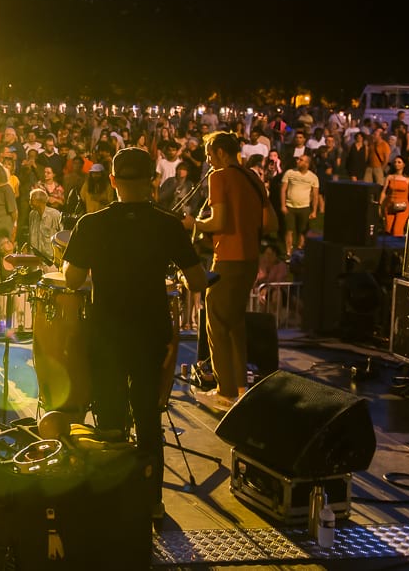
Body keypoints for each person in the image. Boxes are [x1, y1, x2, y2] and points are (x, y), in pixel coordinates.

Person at [62, 147, 208, 521]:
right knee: (147, 416)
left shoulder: (91, 224)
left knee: (108, 420)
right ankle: (151, 503)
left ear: (112, 182)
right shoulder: (167, 225)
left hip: (106, 333)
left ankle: (111, 503)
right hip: (149, 333)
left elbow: (72, 278)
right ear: (152, 182)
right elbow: (195, 280)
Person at [183, 132, 277, 408]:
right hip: (249, 261)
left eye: (210, 154)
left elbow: (219, 221)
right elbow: (270, 224)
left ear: (222, 152)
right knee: (235, 323)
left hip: (227, 258)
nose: (209, 160)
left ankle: (224, 392)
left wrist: (194, 224)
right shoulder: (253, 178)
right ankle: (240, 387)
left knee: (215, 321)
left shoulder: (219, 177)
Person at [380, 156, 409, 237]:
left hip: (403, 206)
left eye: (399, 162)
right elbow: (384, 192)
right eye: (395, 162)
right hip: (390, 205)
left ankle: (397, 247)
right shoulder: (390, 177)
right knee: (388, 229)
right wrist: (380, 204)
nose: (396, 164)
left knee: (397, 230)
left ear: (404, 164)